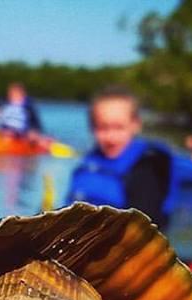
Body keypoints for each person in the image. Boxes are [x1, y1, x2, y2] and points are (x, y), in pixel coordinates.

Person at [65, 86, 175, 229]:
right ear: (92, 127)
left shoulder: (148, 166)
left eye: (119, 128)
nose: (111, 137)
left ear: (136, 125)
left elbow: (143, 226)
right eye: (103, 128)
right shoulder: (89, 163)